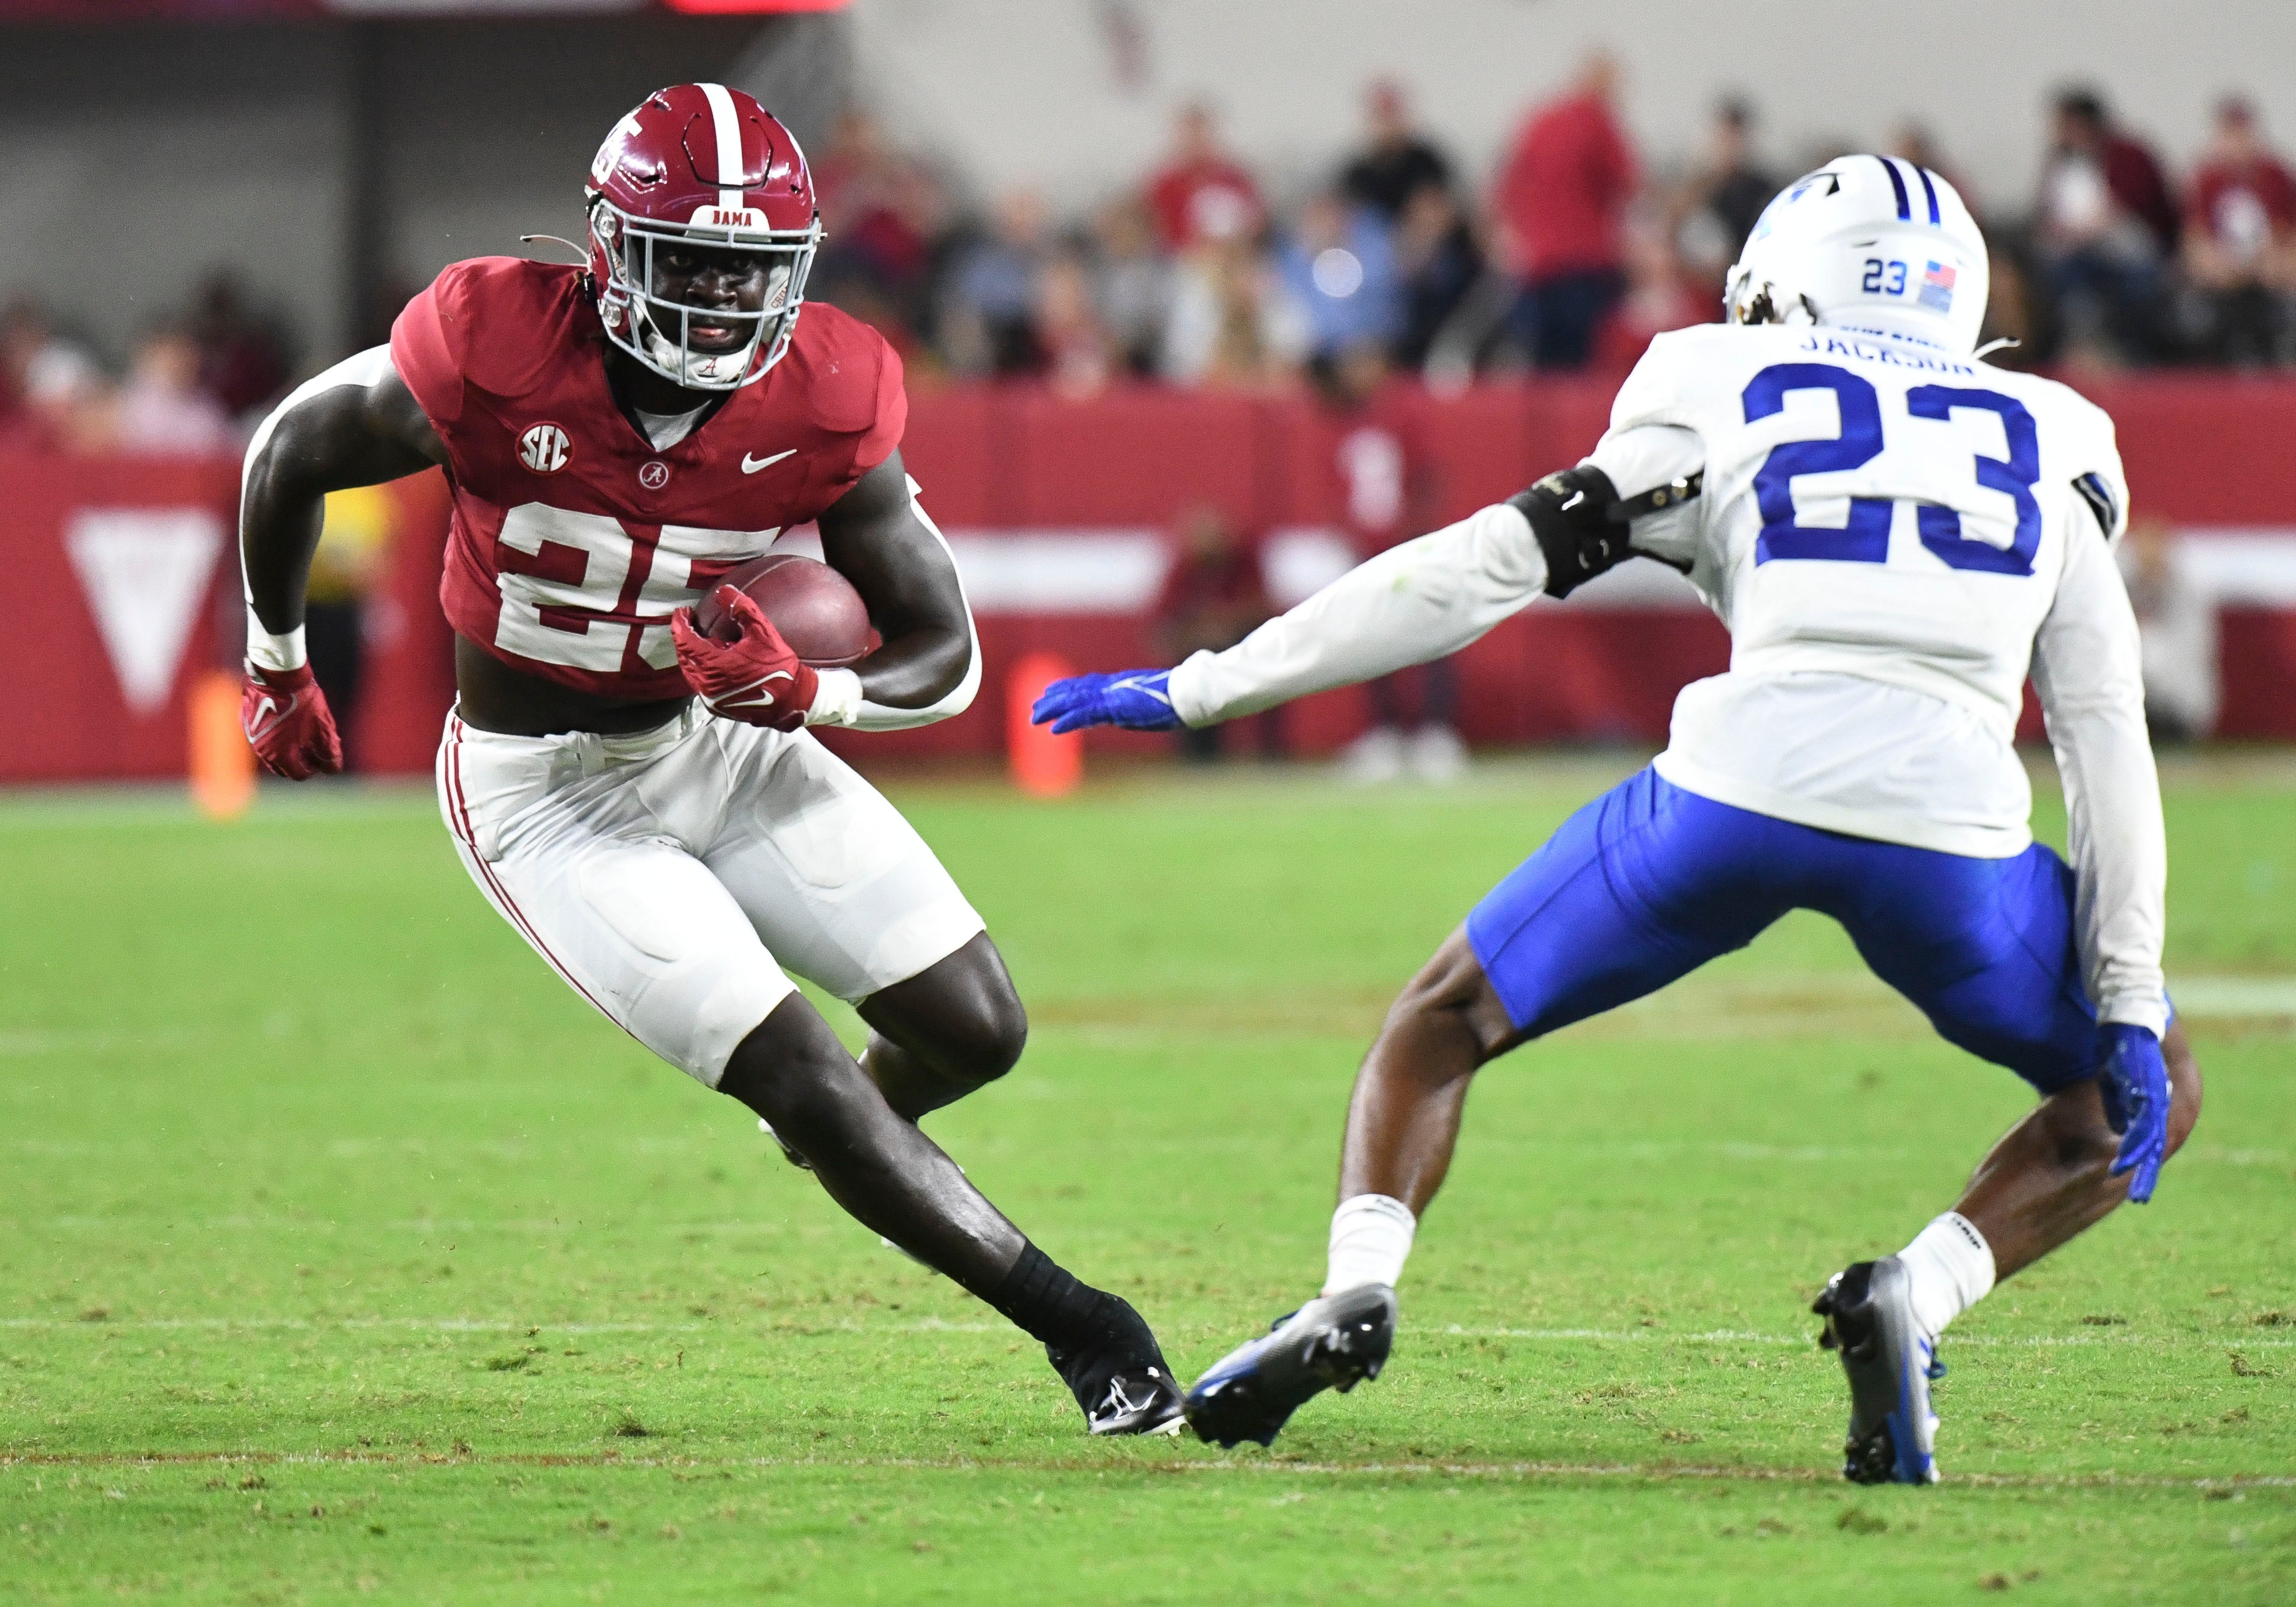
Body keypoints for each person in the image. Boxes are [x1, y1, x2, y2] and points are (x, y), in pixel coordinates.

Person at [1036, 155, 2196, 1482]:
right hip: (1951, 834)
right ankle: (1911, 1297)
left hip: (1729, 793)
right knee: (2132, 1095)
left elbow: (1475, 566)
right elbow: (2105, 733)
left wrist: (1203, 685)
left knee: (1440, 1020)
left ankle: (1354, 1290)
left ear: (1784, 288)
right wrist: (2124, 996)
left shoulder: (1716, 381)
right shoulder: (2051, 437)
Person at [235, 84, 1183, 1438]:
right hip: (546, 791)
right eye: (687, 260)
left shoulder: (826, 392)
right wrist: (277, 665)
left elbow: (945, 647)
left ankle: (837, 1135)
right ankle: (1084, 1332)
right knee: (798, 1066)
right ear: (608, 248)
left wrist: (815, 692)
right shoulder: (494, 341)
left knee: (976, 1028)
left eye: (748, 269)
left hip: (717, 744)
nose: (719, 300)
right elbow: (290, 451)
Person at [1492, 53, 1639, 369]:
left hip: (1538, 266)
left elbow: (1506, 187)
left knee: (1546, 368)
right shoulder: (1598, 121)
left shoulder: (1539, 121)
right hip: (1586, 263)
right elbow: (1631, 184)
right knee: (1582, 366)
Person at [2036, 89, 2179, 363]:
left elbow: (2132, 211)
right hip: (2077, 251)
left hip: (2132, 250)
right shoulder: (2060, 162)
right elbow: (2048, 214)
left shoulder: (2128, 156)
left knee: (2136, 280)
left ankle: (2135, 352)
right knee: (2060, 275)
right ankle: (2079, 349)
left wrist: (2084, 231)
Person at [1152, 505, 1276, 762]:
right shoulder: (1185, 570)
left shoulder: (1243, 564)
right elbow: (1163, 625)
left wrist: (1225, 625)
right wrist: (1196, 634)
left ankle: (1270, 752)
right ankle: (1199, 754)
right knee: (1188, 675)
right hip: (1197, 652)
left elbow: (1262, 609)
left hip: (1242, 646)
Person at [2181, 97, 2296, 368]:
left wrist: (2261, 262)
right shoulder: (2207, 178)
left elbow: (2285, 232)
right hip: (2224, 264)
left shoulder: (2275, 175)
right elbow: (2197, 236)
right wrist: (2223, 265)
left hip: (2269, 261)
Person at [1146, 101, 1264, 254]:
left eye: (1200, 133)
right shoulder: (1165, 186)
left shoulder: (1234, 178)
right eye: (1190, 134)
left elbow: (1257, 221)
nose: (1196, 141)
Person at [1339, 79, 1452, 222]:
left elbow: (1442, 214)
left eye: (1391, 114)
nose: (1386, 124)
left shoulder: (1428, 165)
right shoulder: (1356, 175)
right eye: (1380, 116)